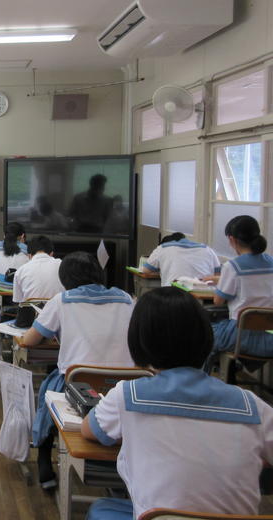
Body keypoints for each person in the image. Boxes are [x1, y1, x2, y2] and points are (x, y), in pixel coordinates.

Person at [82, 287, 273, 519]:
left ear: (139, 339)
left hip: (159, 516)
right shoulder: (252, 406)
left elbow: (89, 430)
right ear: (205, 335)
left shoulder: (128, 395)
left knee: (101, 510)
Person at [19, 252, 134, 491]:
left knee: (48, 392)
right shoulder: (125, 299)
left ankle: (44, 457)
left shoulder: (62, 301)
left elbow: (29, 340)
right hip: (124, 387)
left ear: (65, 279)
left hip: (78, 387)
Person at [210, 215, 273, 363]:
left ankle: (214, 373)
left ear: (232, 239)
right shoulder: (271, 261)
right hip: (269, 338)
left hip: (240, 336)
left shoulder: (232, 266)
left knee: (203, 332)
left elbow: (218, 301)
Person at [11, 236, 65, 328]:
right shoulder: (63, 265)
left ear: (29, 255)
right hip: (59, 322)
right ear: (51, 254)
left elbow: (18, 301)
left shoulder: (21, 271)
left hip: (31, 324)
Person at [142, 231, 222, 287]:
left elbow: (145, 270)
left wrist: (162, 268)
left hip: (173, 293)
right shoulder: (207, 249)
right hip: (202, 293)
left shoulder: (162, 248)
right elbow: (218, 275)